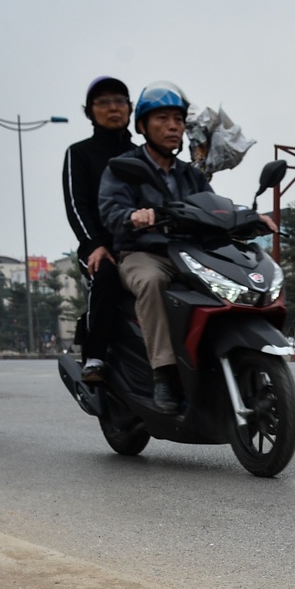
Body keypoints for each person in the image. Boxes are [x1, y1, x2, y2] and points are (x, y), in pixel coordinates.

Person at [98, 82, 215, 413]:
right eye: (162, 118)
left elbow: (213, 205)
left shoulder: (191, 175)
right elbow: (110, 210)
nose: (173, 126)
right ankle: (163, 375)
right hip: (143, 254)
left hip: (189, 255)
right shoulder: (123, 168)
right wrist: (133, 215)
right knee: (151, 282)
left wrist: (250, 217)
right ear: (142, 126)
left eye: (178, 119)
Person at [64, 77, 133, 387]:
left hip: (140, 243)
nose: (113, 108)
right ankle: (95, 355)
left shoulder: (142, 153)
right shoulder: (79, 153)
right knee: (104, 275)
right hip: (99, 245)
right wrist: (94, 244)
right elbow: (76, 205)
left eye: (119, 101)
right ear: (90, 112)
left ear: (131, 109)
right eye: (103, 103)